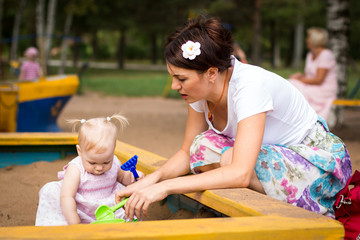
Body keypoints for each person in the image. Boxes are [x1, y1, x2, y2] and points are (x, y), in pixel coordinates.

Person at [115, 16, 351, 220]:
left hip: (318, 164)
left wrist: (166, 187)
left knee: (231, 160)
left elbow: (240, 172)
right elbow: (187, 152)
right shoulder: (200, 90)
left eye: (181, 79)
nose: (175, 86)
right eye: (173, 77)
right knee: (201, 146)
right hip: (272, 155)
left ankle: (285, 218)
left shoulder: (250, 87)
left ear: (210, 73)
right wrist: (153, 180)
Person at [35, 114, 144, 226]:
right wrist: (74, 220)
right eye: (92, 163)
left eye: (106, 162)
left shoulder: (114, 161)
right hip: (81, 209)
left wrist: (131, 176)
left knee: (128, 207)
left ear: (113, 149)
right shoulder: (75, 168)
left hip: (109, 207)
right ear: (79, 151)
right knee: (51, 192)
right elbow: (67, 196)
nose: (99, 168)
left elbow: (122, 177)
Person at [289, 27, 338, 121]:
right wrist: (299, 76)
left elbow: (319, 80)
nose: (306, 40)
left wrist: (298, 80)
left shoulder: (325, 55)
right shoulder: (310, 55)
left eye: (308, 37)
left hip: (324, 89)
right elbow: (310, 76)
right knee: (291, 83)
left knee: (293, 85)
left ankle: (300, 117)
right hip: (312, 86)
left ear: (314, 39)